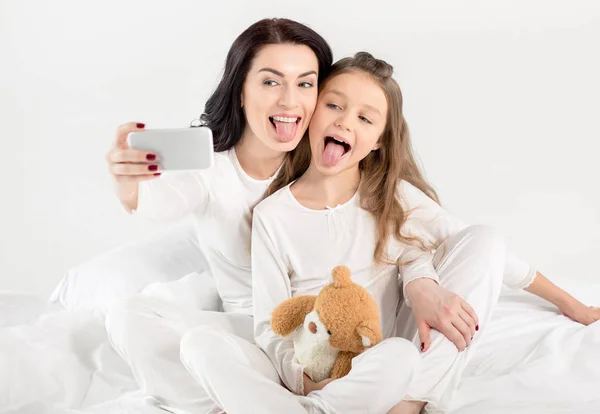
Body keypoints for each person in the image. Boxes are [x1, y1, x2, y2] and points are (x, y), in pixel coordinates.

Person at [178, 52, 600, 414]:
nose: (345, 122)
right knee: (198, 345)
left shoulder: (393, 197)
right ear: (311, 113)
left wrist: (573, 306)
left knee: (477, 248)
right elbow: (270, 326)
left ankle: (406, 405)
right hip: (315, 369)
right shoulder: (272, 215)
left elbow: (491, 255)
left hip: (388, 361)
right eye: (334, 106)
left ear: (379, 140)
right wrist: (306, 382)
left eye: (365, 118)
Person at [104, 18, 333, 413]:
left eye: (305, 83)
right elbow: (150, 202)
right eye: (271, 81)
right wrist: (126, 181)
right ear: (240, 91)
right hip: (248, 333)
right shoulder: (211, 168)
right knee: (130, 315)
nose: (290, 101)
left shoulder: (330, 159)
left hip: (320, 328)